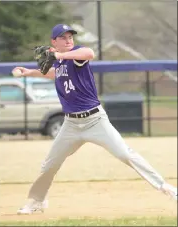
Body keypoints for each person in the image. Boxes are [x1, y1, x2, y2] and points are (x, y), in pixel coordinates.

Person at [13, 24, 177, 215]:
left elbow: (89, 53)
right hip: (71, 125)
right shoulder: (59, 62)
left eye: (70, 37)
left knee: (125, 154)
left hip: (95, 120)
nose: (68, 40)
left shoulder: (76, 55)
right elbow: (54, 73)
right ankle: (37, 202)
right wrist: (29, 72)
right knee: (49, 165)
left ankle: (166, 188)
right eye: (63, 37)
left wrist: (60, 55)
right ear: (54, 42)